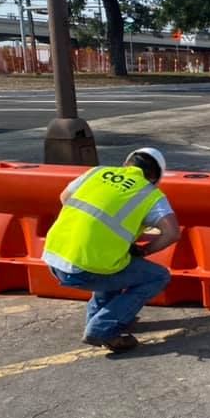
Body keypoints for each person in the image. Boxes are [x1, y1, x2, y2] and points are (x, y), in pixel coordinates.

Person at [43, 148, 180, 352]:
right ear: (154, 177)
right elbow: (172, 233)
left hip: (53, 256)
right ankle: (103, 328)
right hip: (87, 267)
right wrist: (144, 251)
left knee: (116, 263)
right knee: (157, 276)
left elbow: (65, 197)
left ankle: (97, 319)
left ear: (126, 164)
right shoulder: (150, 194)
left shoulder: (97, 172)